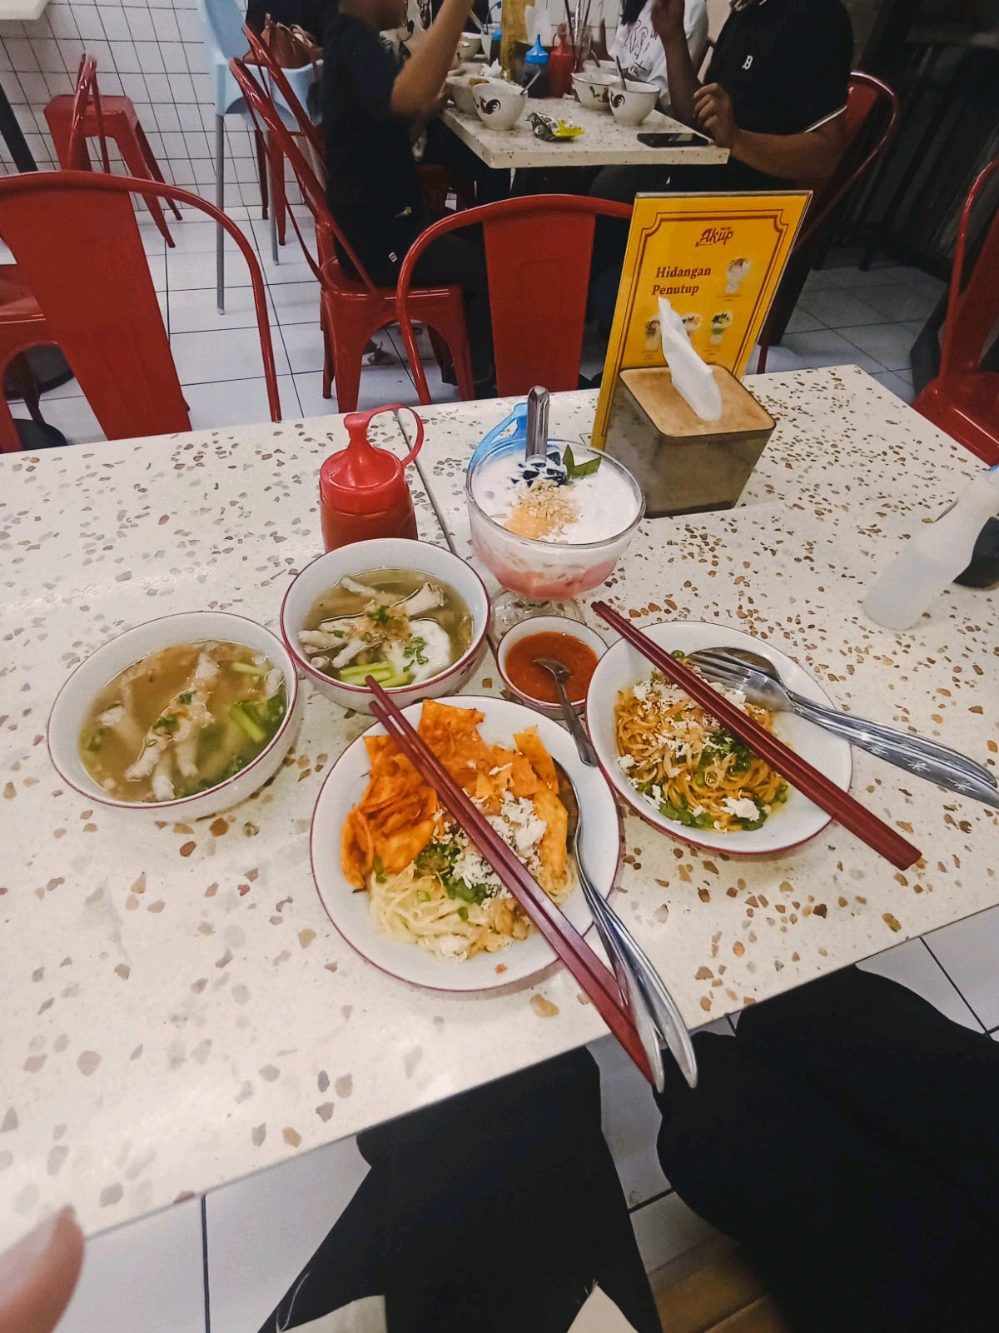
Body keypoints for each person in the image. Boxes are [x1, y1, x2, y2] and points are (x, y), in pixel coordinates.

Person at [322, 0, 495, 392]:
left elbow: (389, 128)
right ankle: (485, 383)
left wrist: (425, 114)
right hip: (380, 244)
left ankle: (471, 367)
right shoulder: (356, 45)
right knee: (483, 266)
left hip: (377, 229)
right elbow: (406, 96)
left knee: (486, 239)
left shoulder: (350, 38)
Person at [611, 0, 709, 113]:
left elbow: (662, 102)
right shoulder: (639, 3)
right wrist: (599, 59)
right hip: (622, 104)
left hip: (651, 116)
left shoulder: (690, 7)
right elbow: (616, 62)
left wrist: (614, 75)